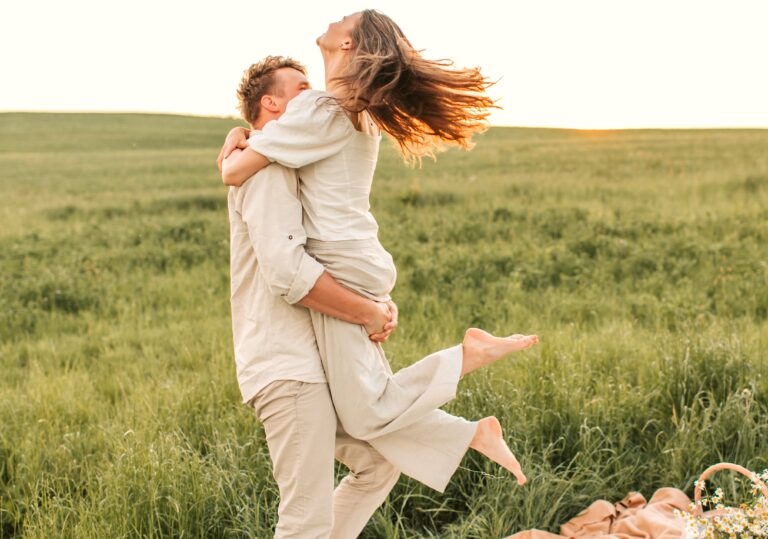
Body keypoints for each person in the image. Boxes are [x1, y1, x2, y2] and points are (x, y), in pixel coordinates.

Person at [220, 11, 538, 494]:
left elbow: (236, 173)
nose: (332, 16)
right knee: (366, 407)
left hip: (338, 262)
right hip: (358, 256)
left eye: (343, 19)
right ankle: (469, 426)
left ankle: (467, 368)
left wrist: (231, 148)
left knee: (367, 409)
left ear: (349, 44)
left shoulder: (318, 109)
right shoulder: (358, 114)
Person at [227, 56, 402, 538]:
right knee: (305, 518)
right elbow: (287, 272)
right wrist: (367, 310)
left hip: (319, 360)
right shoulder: (264, 169)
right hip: (288, 365)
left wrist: (372, 297)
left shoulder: (278, 159)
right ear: (273, 103)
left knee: (380, 462)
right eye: (302, 88)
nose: (316, 95)